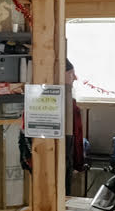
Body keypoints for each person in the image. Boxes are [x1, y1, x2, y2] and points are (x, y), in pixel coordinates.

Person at [19, 58, 85, 194]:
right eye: (71, 74)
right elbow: (77, 137)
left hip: (44, 156)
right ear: (61, 75)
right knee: (58, 196)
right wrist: (78, 163)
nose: (75, 78)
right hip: (57, 155)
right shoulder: (69, 107)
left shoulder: (35, 100)